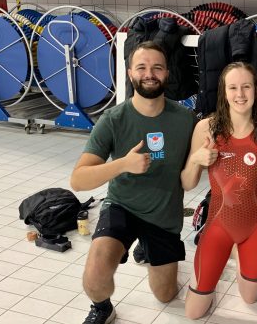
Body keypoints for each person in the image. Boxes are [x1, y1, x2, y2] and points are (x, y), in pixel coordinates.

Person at [70, 41, 197, 324]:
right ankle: (102, 308)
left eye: (157, 67)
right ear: (130, 73)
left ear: (167, 73)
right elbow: (78, 180)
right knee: (95, 273)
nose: (149, 73)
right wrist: (122, 165)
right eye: (141, 67)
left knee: (165, 295)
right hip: (122, 207)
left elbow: (203, 160)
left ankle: (145, 247)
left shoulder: (186, 120)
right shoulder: (114, 119)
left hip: (164, 216)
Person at [180, 61, 257, 319]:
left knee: (250, 298)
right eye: (233, 87)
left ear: (256, 89)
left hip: (255, 223)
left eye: (246, 86)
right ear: (224, 92)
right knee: (193, 313)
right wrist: (195, 159)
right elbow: (187, 183)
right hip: (218, 224)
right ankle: (223, 259)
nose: (240, 94)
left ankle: (238, 253)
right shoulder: (206, 128)